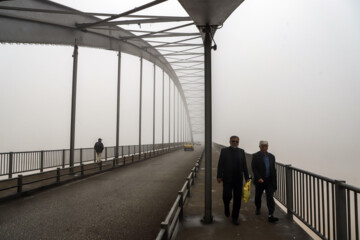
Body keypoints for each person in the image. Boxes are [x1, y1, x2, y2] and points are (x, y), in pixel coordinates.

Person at [217, 136, 250, 225]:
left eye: (237, 141)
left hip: (238, 179)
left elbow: (244, 165)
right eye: (233, 141)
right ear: (230, 141)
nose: (235, 143)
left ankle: (235, 217)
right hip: (227, 178)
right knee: (226, 196)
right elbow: (220, 164)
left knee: (237, 200)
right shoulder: (224, 151)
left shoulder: (241, 152)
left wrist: (247, 177)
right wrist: (219, 176)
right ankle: (226, 206)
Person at [251, 140, 279, 222]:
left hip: (269, 181)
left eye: (266, 146)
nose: (264, 147)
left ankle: (271, 214)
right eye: (263, 146)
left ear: (268, 147)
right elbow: (254, 168)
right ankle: (258, 208)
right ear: (259, 147)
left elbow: (273, 170)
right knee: (258, 196)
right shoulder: (255, 156)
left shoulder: (272, 156)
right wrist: (259, 177)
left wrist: (274, 182)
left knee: (270, 197)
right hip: (260, 181)